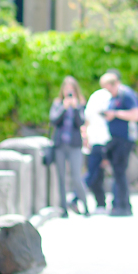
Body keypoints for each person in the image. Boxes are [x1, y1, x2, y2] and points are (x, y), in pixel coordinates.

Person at [102, 70, 138, 216]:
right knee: (118, 173)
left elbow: (136, 115)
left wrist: (116, 114)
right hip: (115, 139)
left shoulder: (126, 95)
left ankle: (123, 206)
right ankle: (119, 204)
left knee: (120, 172)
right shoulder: (114, 97)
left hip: (125, 139)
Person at [49, 77, 90, 218]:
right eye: (67, 90)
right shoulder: (58, 103)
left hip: (74, 145)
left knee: (76, 176)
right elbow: (54, 120)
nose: (69, 92)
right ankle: (63, 209)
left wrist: (76, 107)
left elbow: (81, 122)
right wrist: (64, 108)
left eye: (71, 90)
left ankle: (85, 206)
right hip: (60, 145)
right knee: (60, 177)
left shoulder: (80, 104)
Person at [83, 74, 114, 215]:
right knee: (94, 173)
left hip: (93, 140)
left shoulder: (94, 96)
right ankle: (78, 196)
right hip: (103, 140)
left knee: (95, 172)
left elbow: (87, 118)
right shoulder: (108, 97)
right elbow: (109, 118)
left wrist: (85, 137)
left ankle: (100, 203)